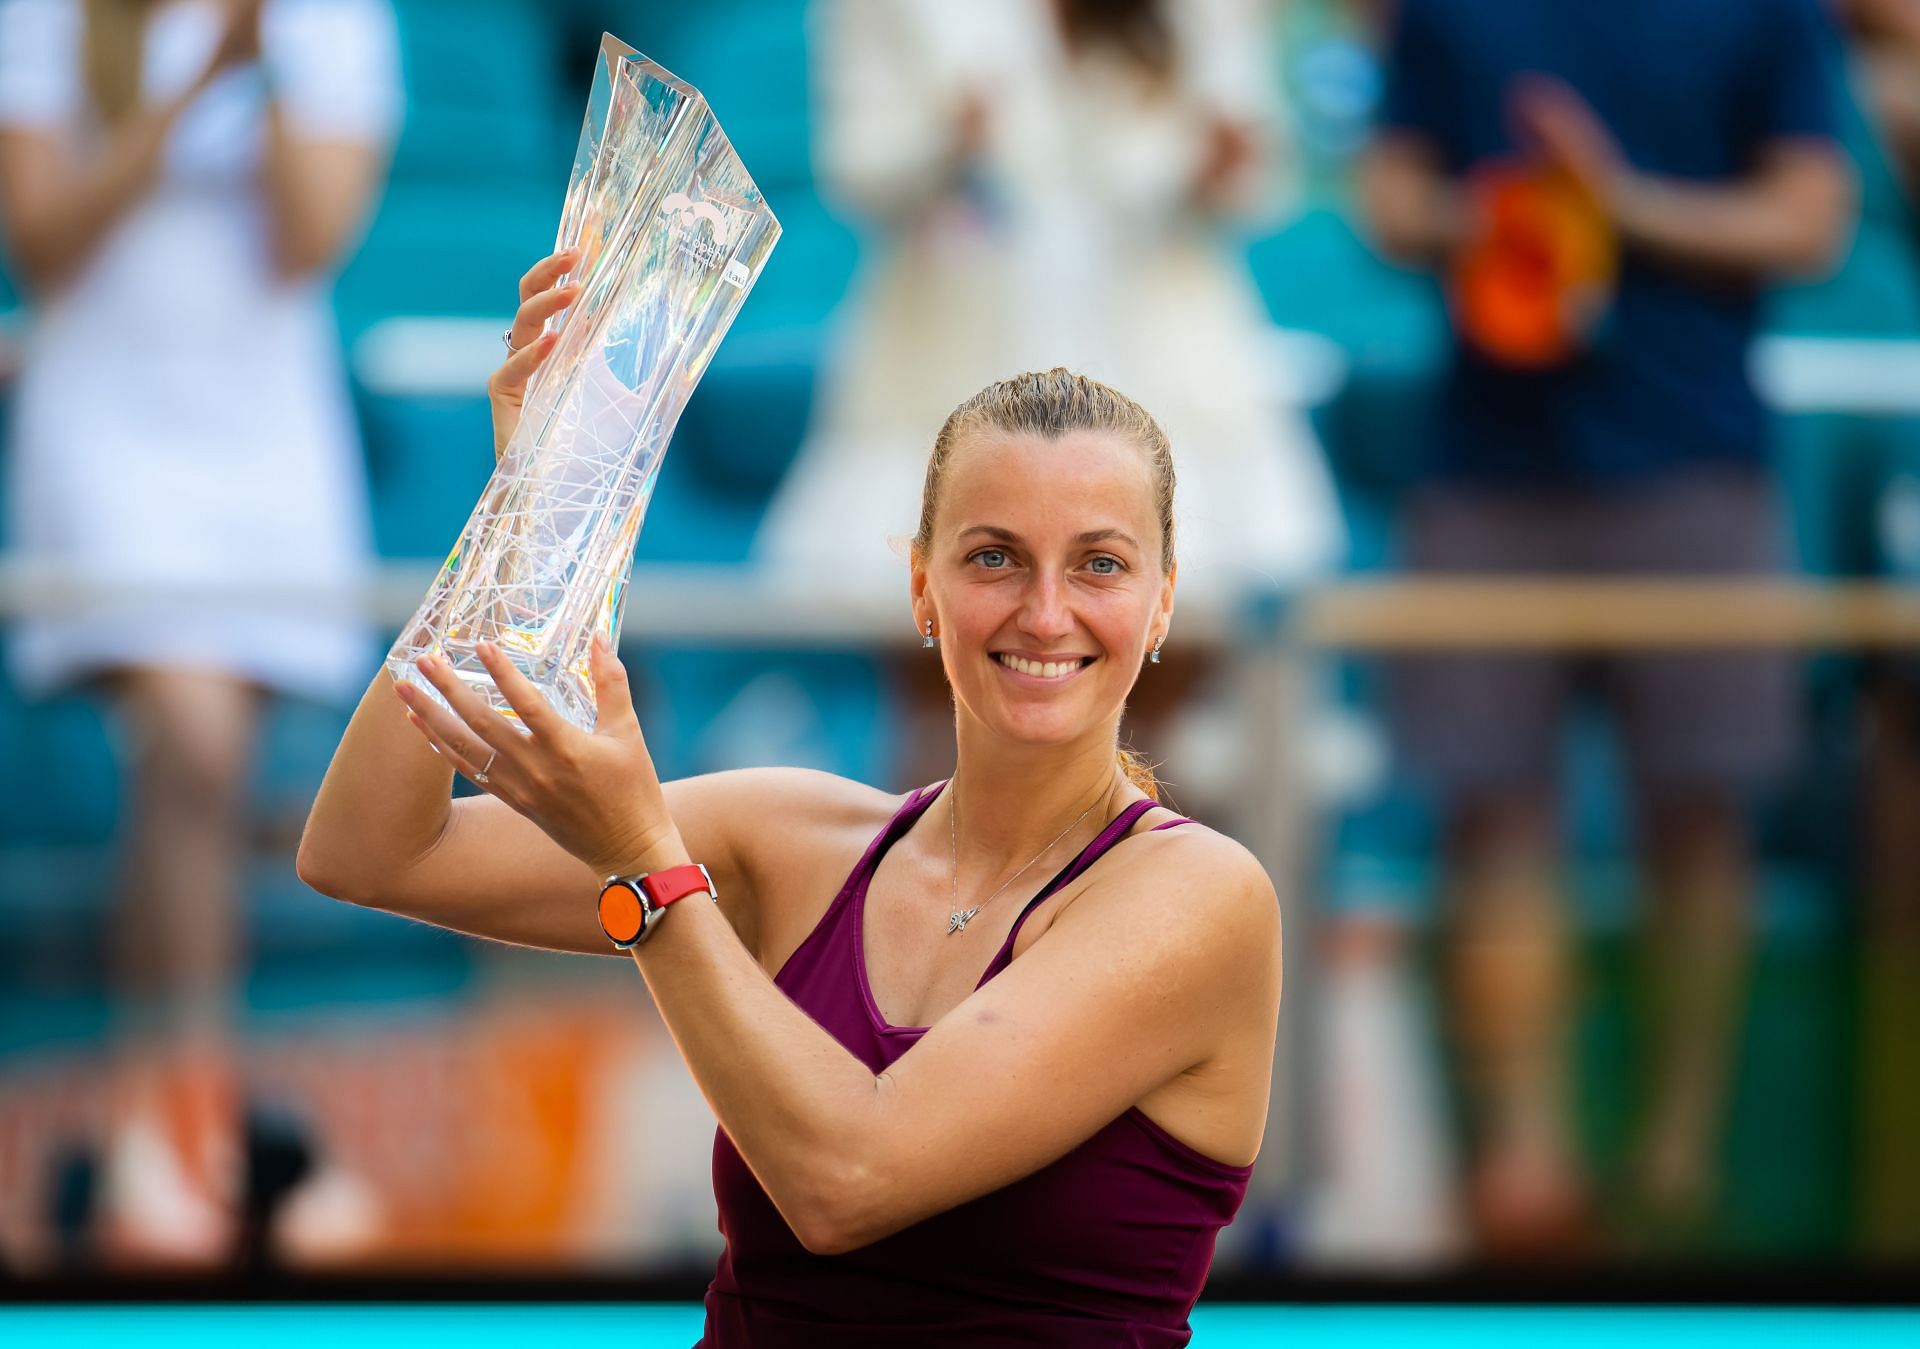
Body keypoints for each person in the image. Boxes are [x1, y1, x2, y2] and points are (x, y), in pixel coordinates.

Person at [299, 252, 1282, 1345]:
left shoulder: (1200, 895)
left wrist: (647, 865)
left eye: (1099, 564)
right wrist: (530, 507)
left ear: (1162, 604)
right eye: (994, 556)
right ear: (921, 585)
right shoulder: (796, 837)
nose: (1045, 612)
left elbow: (847, 1181)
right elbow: (372, 848)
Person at [1358, 0, 1854, 1253]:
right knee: (1498, 810)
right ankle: (1530, 1167)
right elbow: (1390, 195)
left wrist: (1618, 205)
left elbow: (1810, 217)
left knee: (1702, 809)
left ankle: (1679, 1155)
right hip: (1487, 467)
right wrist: (1491, 221)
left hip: (1697, 466)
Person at [0, 0, 399, 1261]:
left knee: (195, 770)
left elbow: (309, 236)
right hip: (104, 423)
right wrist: (187, 91)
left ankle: (163, 1115)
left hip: (262, 438)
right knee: (192, 738)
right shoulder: (45, 16)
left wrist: (261, 62)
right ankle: (186, 1114)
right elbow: (43, 242)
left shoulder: (329, 22)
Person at [761, 0, 1343, 608]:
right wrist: (945, 143)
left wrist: (1217, 170)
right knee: (943, 623)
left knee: (1171, 623)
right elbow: (860, 169)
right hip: (957, 339)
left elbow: (1256, 173)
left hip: (1161, 348)